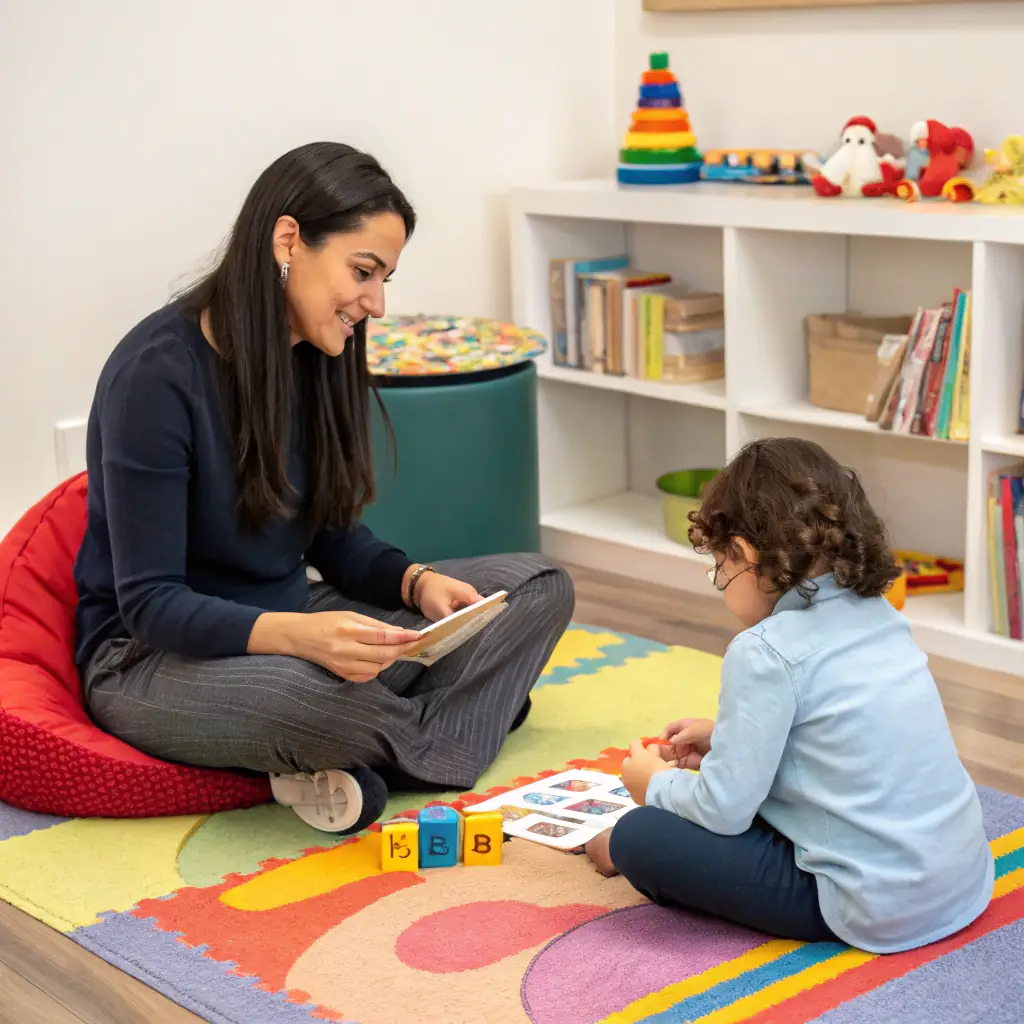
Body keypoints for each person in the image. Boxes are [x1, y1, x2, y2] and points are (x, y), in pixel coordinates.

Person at [75, 141, 574, 835]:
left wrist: (414, 583)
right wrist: (303, 639)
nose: (374, 302)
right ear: (288, 241)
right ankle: (442, 725)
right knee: (308, 699)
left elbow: (333, 539)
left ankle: (371, 747)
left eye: (385, 279)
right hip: (153, 659)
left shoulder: (315, 352)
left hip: (295, 613)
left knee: (538, 587)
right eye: (364, 271)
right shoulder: (153, 378)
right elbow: (152, 605)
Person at [585, 438, 993, 955]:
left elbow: (724, 811)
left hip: (870, 905)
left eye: (718, 567)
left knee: (639, 835)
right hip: (959, 881)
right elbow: (842, 736)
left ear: (745, 554)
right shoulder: (882, 615)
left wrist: (654, 785)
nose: (718, 581)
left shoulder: (762, 651)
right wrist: (724, 738)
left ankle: (621, 847)